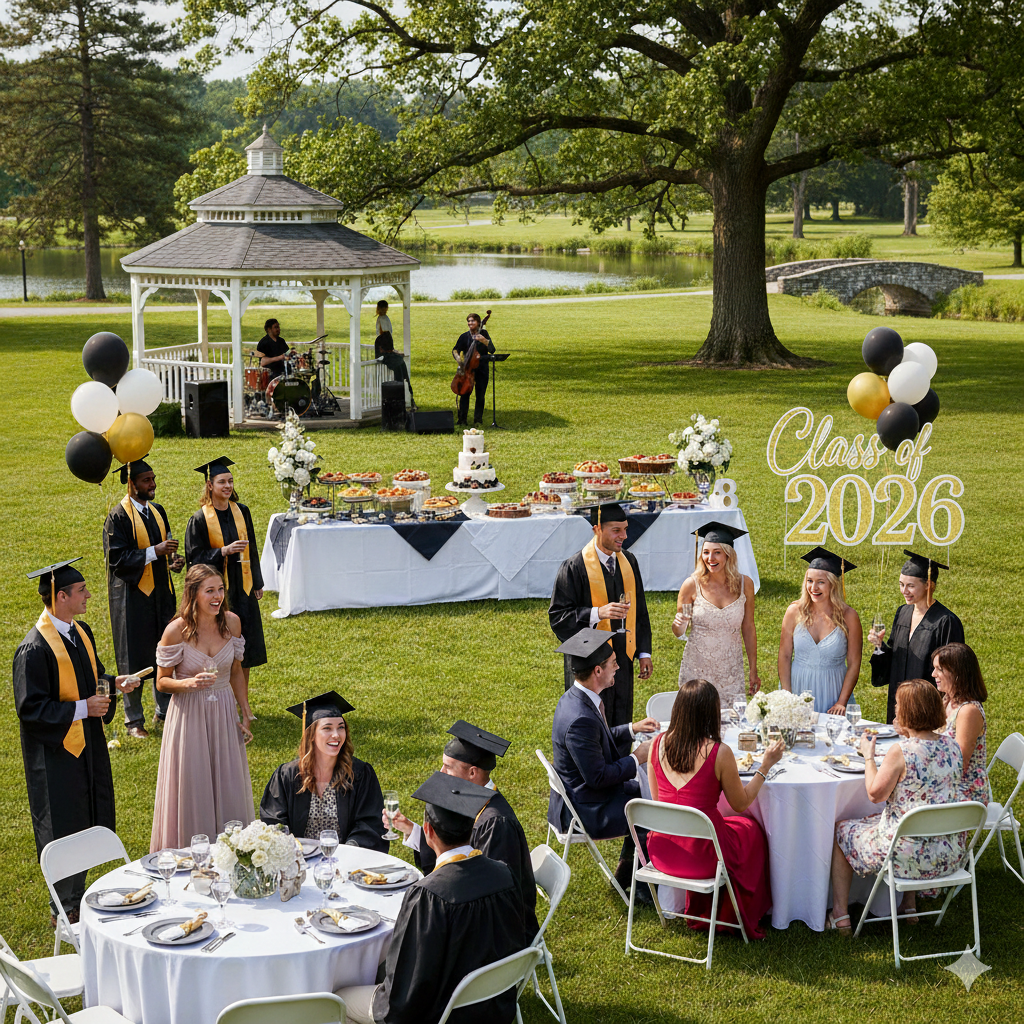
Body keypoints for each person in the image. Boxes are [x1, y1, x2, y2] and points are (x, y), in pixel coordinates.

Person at [336, 772, 528, 1024]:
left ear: (428, 831)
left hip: (440, 1011)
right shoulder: (504, 874)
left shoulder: (429, 895)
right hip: (492, 1004)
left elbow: (406, 991)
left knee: (337, 999)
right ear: (472, 827)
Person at [13, 558, 138, 924]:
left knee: (89, 813)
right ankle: (62, 905)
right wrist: (84, 708)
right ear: (60, 596)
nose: (87, 595)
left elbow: (92, 675)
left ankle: (85, 892)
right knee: (63, 821)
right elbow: (31, 710)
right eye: (81, 591)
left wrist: (114, 683)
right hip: (55, 756)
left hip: (88, 747)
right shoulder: (34, 650)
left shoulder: (79, 631)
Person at [648, 679, 782, 938]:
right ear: (711, 713)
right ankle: (734, 915)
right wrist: (765, 767)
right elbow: (741, 803)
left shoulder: (656, 745)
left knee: (730, 827)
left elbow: (659, 803)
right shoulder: (719, 753)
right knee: (750, 830)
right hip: (703, 858)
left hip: (663, 852)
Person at [829, 679, 965, 930]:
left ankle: (840, 916)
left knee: (841, 829)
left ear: (908, 712)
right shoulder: (952, 746)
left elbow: (874, 794)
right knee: (915, 822)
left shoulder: (901, 751)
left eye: (898, 706)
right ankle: (909, 908)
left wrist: (869, 757)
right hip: (948, 854)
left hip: (904, 856)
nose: (895, 710)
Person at [388, 720, 539, 936]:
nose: (441, 772)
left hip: (500, 933)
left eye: (448, 767)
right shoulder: (474, 803)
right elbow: (455, 852)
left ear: (473, 773)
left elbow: (493, 894)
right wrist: (412, 831)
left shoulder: (495, 823)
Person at [549, 628, 659, 903]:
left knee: (645, 794)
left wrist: (632, 729)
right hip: (587, 810)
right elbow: (598, 776)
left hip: (586, 796)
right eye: (613, 663)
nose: (618, 667)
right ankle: (645, 888)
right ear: (597, 670)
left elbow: (599, 738)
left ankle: (627, 873)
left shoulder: (578, 699)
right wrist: (638, 758)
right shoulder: (580, 718)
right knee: (654, 809)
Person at [151, 564, 254, 851]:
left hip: (222, 710)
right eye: (210, 590)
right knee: (193, 784)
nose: (217, 596)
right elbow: (162, 682)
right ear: (193, 593)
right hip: (189, 714)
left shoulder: (232, 623)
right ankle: (189, 854)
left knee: (228, 782)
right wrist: (188, 684)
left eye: (220, 589)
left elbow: (235, 671)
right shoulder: (176, 631)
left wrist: (244, 709)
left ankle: (232, 853)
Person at [549, 502, 653, 730]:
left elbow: (641, 611)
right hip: (590, 663)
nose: (624, 536)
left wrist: (644, 652)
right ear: (597, 529)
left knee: (621, 721)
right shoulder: (574, 567)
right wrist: (598, 613)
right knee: (590, 724)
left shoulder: (629, 562)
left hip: (621, 661)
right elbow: (558, 617)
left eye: (625, 529)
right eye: (616, 530)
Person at [103, 459, 185, 737]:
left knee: (164, 650)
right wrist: (155, 551)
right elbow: (118, 560)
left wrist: (173, 561)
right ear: (132, 483)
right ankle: (133, 720)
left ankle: (164, 711)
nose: (153, 485)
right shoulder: (118, 517)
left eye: (153, 478)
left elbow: (167, 548)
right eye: (147, 480)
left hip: (160, 594)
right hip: (131, 597)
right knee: (134, 655)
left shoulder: (158, 511)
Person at [259, 691, 388, 850]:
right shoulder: (287, 775)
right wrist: (294, 851)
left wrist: (349, 852)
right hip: (299, 859)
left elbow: (370, 824)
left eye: (341, 728)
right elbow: (274, 823)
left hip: (346, 860)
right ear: (311, 735)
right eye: (327, 728)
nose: (336, 735)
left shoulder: (360, 774)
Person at [184, 457, 267, 685]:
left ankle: (242, 701)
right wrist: (222, 551)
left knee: (245, 647)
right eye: (222, 482)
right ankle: (223, 696)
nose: (228, 486)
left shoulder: (242, 511)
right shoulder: (200, 519)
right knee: (223, 645)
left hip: (244, 587)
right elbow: (194, 559)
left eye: (230, 481)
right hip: (218, 592)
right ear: (210, 485)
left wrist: (257, 582)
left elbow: (252, 547)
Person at [869, 550, 965, 724]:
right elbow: (895, 661)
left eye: (910, 586)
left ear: (928, 584)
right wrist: (880, 646)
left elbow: (953, 672)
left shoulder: (946, 622)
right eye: (901, 584)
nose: (904, 591)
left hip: (927, 707)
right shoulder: (903, 612)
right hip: (899, 704)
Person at [673, 521, 759, 704]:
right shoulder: (691, 585)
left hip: (730, 669)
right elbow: (679, 631)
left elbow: (749, 627)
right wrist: (678, 626)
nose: (710, 558)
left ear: (729, 555)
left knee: (730, 722)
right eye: (706, 552)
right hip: (698, 666)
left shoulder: (746, 585)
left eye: (717, 552)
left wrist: (753, 669)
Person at [778, 547, 863, 715]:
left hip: (833, 692)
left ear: (833, 584)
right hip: (798, 687)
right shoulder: (795, 611)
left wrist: (841, 702)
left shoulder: (849, 617)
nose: (813, 587)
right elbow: (785, 655)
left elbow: (854, 663)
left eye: (821, 582)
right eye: (809, 581)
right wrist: (787, 696)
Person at [933, 642, 988, 805]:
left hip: (964, 793)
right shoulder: (948, 700)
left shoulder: (968, 711)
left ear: (957, 674)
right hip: (945, 782)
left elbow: (960, 763)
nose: (933, 674)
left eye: (939, 669)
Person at [452, 312, 495, 426]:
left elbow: (492, 350)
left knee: (480, 395)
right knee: (464, 394)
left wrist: (484, 341)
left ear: (479, 323)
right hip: (467, 370)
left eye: (473, 321)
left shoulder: (484, 333)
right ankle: (462, 419)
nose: (470, 323)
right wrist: (459, 361)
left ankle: (478, 420)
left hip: (482, 369)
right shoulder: (464, 336)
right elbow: (455, 350)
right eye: (469, 321)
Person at [374, 300, 416, 410]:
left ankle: (406, 393)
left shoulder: (385, 318)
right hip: (384, 347)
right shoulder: (381, 319)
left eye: (385, 308)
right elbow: (383, 335)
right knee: (398, 364)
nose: (383, 310)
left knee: (400, 364)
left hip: (388, 346)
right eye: (381, 308)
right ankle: (400, 392)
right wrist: (389, 349)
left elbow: (388, 335)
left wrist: (392, 349)